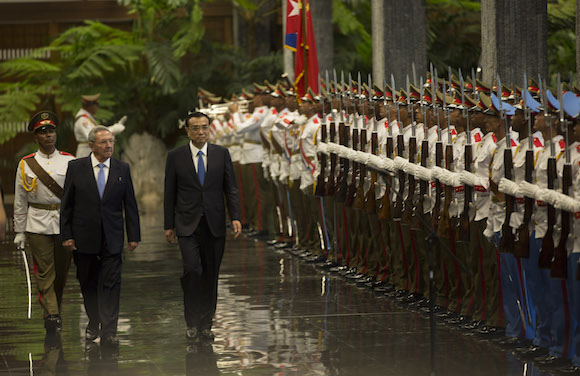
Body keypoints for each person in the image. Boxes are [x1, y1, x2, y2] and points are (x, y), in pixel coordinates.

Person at [164, 111, 241, 343]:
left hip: (214, 223)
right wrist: (169, 225)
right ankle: (192, 321)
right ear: (187, 131)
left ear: (210, 129)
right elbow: (169, 192)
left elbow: (231, 188)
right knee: (192, 270)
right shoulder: (176, 156)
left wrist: (235, 216)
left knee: (210, 274)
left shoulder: (221, 154)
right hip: (187, 224)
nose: (200, 132)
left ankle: (206, 324)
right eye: (195, 128)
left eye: (204, 127)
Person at [60, 125, 140, 348]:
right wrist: (66, 235)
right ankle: (94, 320)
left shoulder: (122, 168)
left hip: (112, 236)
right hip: (84, 235)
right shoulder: (76, 168)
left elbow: (130, 203)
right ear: (91, 145)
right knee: (87, 282)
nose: (109, 146)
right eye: (104, 142)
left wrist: (133, 235)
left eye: (111, 141)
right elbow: (66, 205)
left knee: (112, 284)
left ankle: (110, 331)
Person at [13, 111, 75, 333]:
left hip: (64, 223)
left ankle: (53, 306)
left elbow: (77, 195)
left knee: (61, 271)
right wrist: (19, 232)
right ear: (36, 137)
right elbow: (20, 200)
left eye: (51, 131)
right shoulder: (26, 164)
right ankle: (52, 315)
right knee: (45, 271)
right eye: (43, 132)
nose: (48, 135)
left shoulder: (70, 161)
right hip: (37, 224)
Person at [74, 94, 127, 158]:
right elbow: (92, 136)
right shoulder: (83, 119)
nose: (97, 107)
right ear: (90, 105)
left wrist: (113, 129)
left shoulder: (88, 117)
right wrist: (113, 129)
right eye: (96, 104)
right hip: (86, 153)